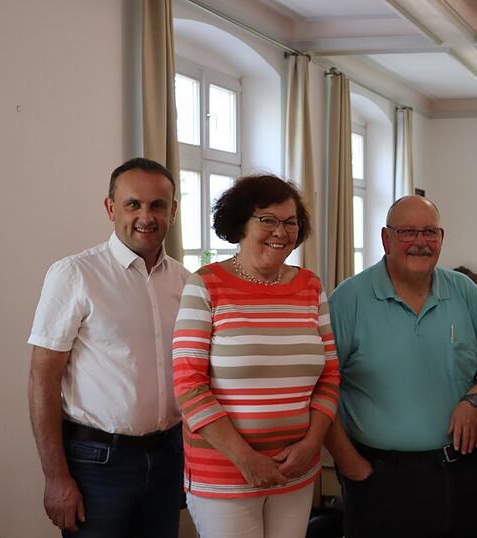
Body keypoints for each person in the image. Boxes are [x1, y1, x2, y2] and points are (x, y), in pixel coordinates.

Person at [325, 195, 477, 538]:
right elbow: (321, 389)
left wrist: (475, 399)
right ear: (386, 239)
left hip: (467, 469)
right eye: (408, 232)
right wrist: (350, 465)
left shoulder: (464, 291)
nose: (420, 242)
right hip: (382, 477)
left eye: (429, 232)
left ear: (441, 238)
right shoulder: (348, 300)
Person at [27, 157, 190, 537]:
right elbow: (42, 380)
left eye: (157, 205)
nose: (145, 216)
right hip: (96, 465)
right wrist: (55, 477)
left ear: (174, 211)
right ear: (110, 208)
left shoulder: (185, 282)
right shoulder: (75, 275)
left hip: (169, 457)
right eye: (133, 204)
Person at [172, 175, 339, 538]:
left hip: (295, 470)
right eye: (267, 220)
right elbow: (189, 386)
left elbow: (330, 376)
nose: (281, 231)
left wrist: (311, 445)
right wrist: (246, 460)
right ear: (240, 224)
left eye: (290, 221)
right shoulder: (204, 285)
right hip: (225, 471)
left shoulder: (311, 286)